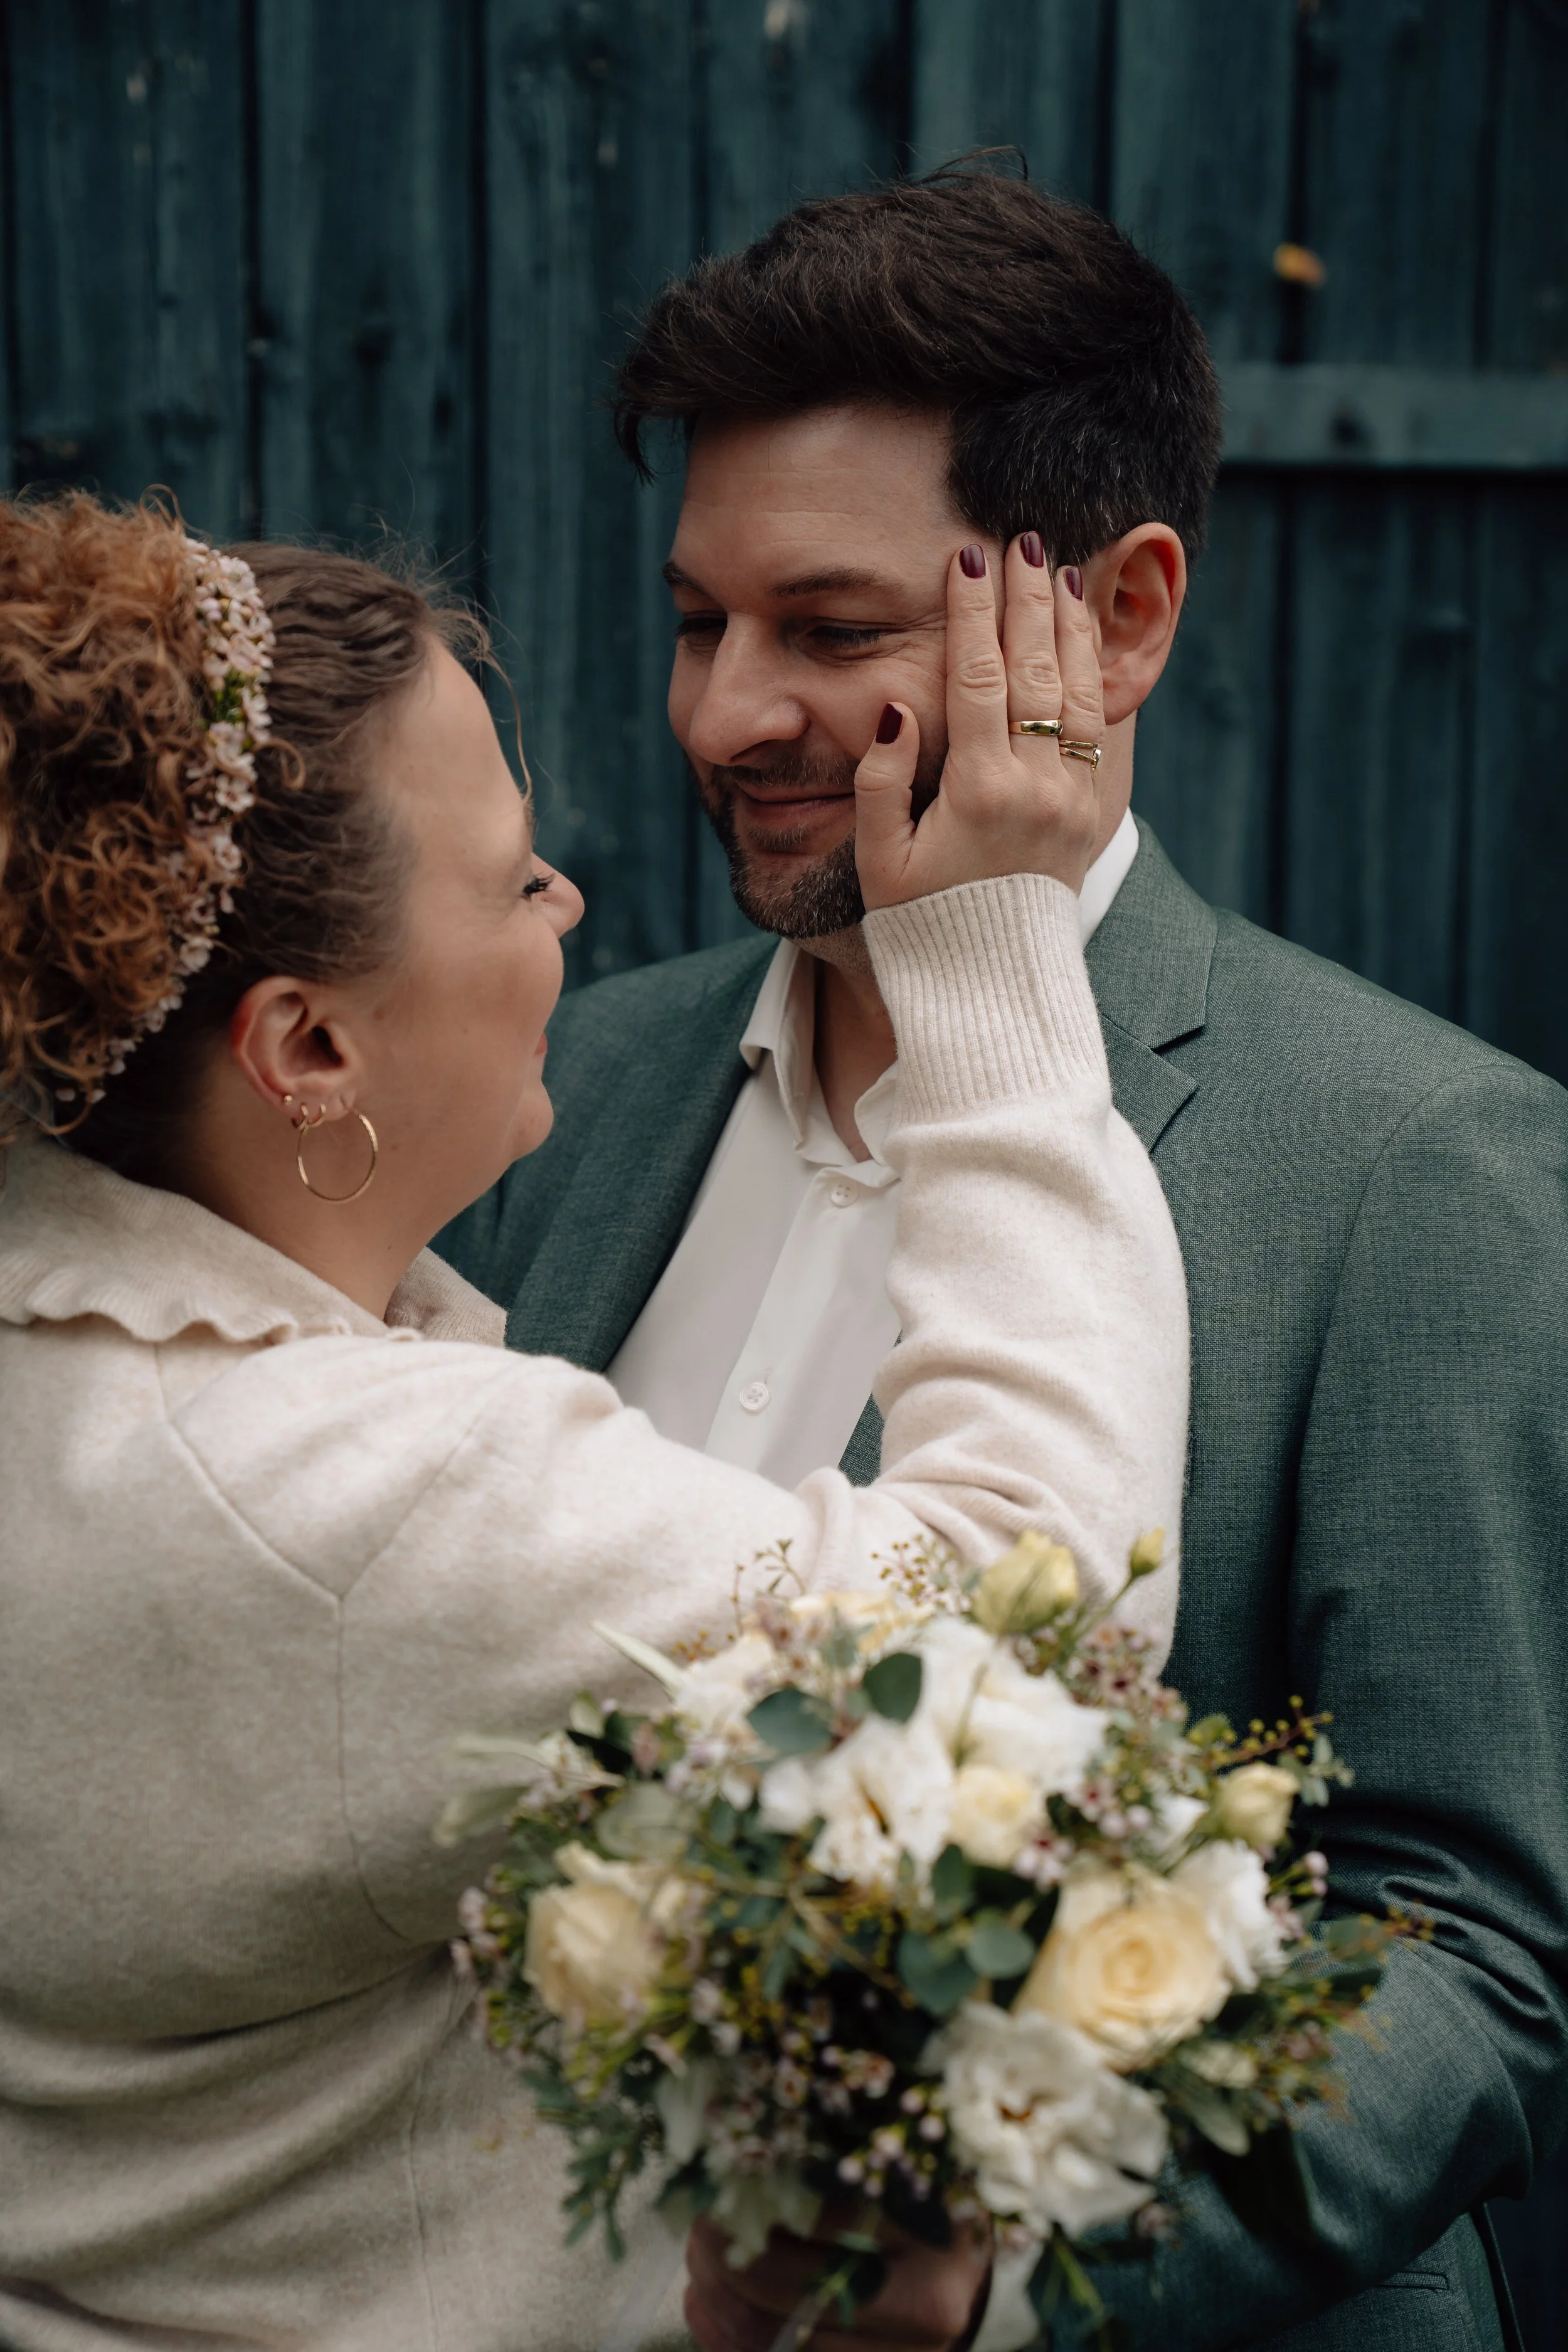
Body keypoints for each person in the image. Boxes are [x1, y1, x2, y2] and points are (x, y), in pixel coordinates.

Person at [437, 169, 1568, 2351]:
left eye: (833, 633)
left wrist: (1024, 2268)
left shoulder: (1427, 1161)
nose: (720, 713)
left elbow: (1475, 1944)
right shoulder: (579, 1075)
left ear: (1120, 615)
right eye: (699, 620)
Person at [0, 491, 1186, 2351]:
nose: (573, 910)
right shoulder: (350, 1488)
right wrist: (998, 977)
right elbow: (1022, 1623)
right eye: (515, 877)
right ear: (306, 1046)